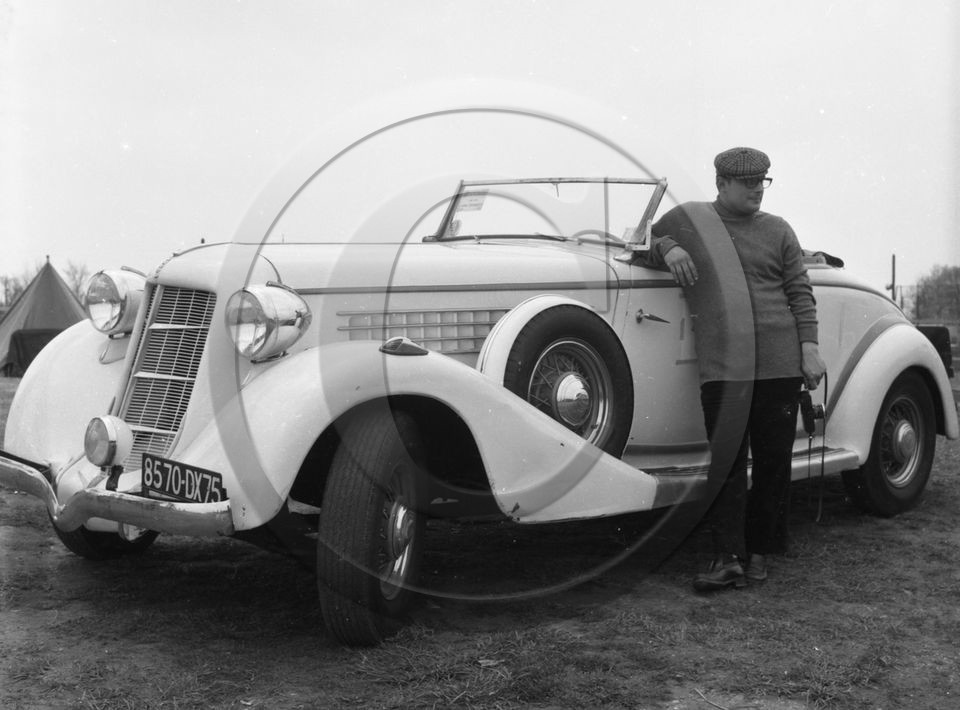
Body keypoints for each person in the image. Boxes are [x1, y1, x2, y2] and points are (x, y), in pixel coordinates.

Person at [643, 146, 827, 591]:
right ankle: (726, 557)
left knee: (772, 463)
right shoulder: (692, 219)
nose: (757, 191)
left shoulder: (778, 230)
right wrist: (668, 248)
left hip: (780, 364)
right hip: (724, 366)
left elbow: (800, 291)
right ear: (721, 183)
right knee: (725, 464)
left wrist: (809, 348)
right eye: (747, 183)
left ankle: (760, 553)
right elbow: (645, 237)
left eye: (762, 182)